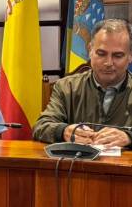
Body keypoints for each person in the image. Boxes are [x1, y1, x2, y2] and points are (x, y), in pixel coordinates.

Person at [33, 18, 132, 147]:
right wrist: (63, 131)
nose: (108, 63)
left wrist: (129, 137)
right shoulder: (66, 87)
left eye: (117, 56)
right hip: (76, 159)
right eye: (101, 54)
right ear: (90, 50)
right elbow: (41, 126)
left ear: (130, 56)